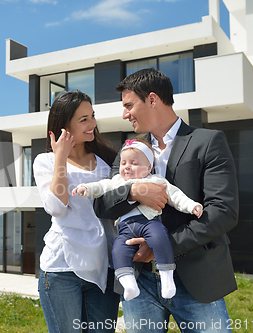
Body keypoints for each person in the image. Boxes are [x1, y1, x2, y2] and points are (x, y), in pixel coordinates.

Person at [93, 68, 239, 332]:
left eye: (128, 105)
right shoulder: (128, 151)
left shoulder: (208, 142)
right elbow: (102, 204)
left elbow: (222, 211)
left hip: (196, 278)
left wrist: (162, 247)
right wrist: (133, 192)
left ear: (152, 99)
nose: (124, 114)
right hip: (140, 282)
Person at [72, 137, 203, 302]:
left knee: (159, 238)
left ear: (148, 167)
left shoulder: (155, 180)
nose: (127, 167)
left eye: (134, 163)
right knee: (118, 250)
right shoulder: (117, 181)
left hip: (149, 222)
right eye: (123, 163)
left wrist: (191, 206)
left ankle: (167, 278)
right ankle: (129, 285)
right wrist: (86, 188)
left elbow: (175, 196)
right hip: (126, 228)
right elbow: (101, 187)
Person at [33, 90, 119, 333]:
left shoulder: (108, 161)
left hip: (103, 265)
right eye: (83, 119)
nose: (92, 124)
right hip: (61, 268)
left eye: (92, 116)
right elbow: (56, 208)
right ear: (64, 126)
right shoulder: (45, 161)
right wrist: (60, 157)